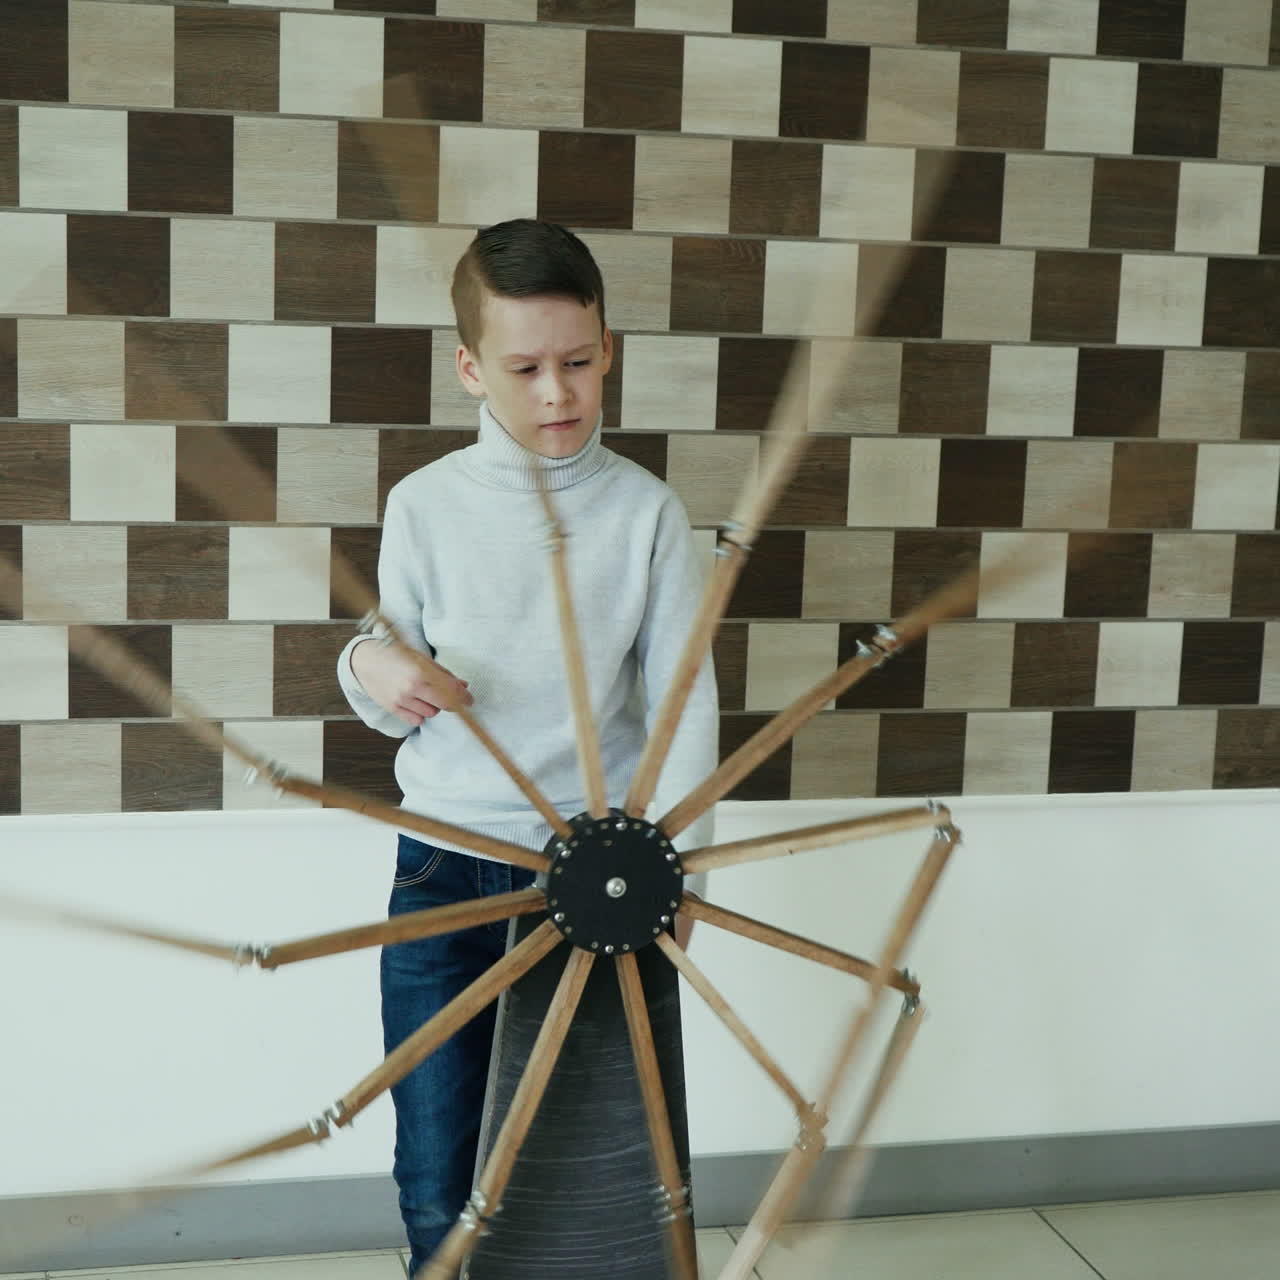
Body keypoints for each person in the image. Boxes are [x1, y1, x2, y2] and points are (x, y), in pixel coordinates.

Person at [335, 218, 718, 1276]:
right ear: (470, 368)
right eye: (524, 368)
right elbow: (387, 670)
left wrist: (687, 864)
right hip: (444, 866)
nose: (557, 393)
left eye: (578, 363)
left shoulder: (646, 513)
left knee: (592, 1169)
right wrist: (370, 666)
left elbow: (684, 701)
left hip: (595, 875)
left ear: (609, 350)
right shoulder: (424, 505)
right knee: (436, 1162)